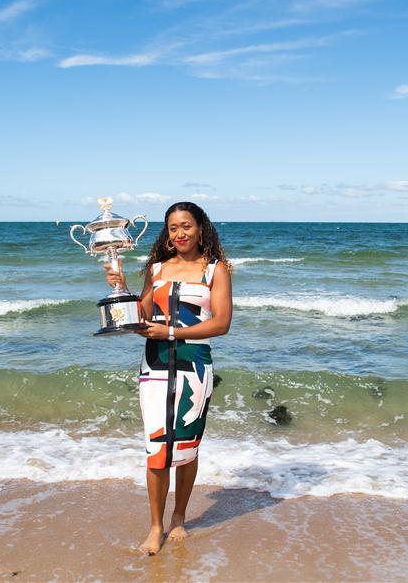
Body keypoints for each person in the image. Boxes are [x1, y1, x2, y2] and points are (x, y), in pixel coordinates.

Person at [104, 201, 233, 555]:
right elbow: (141, 316)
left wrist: (172, 333)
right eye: (173, 228)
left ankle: (179, 516)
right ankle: (155, 526)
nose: (180, 234)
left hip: (195, 366)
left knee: (187, 448)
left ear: (201, 228)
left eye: (186, 226)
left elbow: (221, 323)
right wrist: (122, 287)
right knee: (156, 447)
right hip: (155, 365)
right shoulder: (157, 269)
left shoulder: (215, 270)